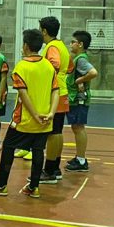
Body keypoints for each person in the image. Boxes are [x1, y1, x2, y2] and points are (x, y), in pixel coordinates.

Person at [0, 29, 58, 199]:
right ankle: (34, 188)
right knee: (38, 151)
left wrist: (34, 115)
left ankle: (1, 186)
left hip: (24, 120)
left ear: (26, 46)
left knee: (8, 148)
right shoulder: (48, 66)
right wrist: (51, 113)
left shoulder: (21, 67)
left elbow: (23, 94)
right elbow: (55, 91)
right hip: (45, 120)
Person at [37, 15, 72, 184]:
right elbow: (70, 67)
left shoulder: (51, 47)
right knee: (57, 132)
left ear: (44, 31)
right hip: (62, 91)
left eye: (40, 30)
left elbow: (54, 65)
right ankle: (55, 168)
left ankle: (49, 170)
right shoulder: (62, 45)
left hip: (55, 93)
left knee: (52, 133)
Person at [64, 30, 99, 172]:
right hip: (75, 98)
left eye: (73, 42)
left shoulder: (81, 60)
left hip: (79, 99)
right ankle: (79, 157)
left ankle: (81, 160)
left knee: (79, 127)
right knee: (76, 127)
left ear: (80, 44)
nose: (71, 44)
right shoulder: (78, 58)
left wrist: (80, 80)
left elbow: (93, 72)